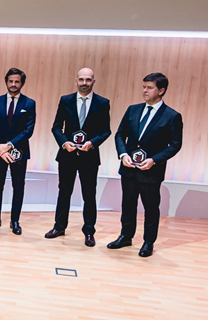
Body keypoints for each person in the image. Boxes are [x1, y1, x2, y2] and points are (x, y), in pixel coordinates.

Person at [109, 73, 182, 258]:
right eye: (144, 87)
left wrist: (154, 160)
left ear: (161, 90)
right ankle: (125, 236)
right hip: (129, 168)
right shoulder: (132, 110)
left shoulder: (172, 116)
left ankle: (148, 242)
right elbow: (119, 134)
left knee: (150, 208)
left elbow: (175, 145)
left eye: (149, 87)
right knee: (128, 204)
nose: (144, 90)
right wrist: (123, 154)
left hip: (151, 171)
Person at [46, 68, 111, 247]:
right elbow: (56, 127)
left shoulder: (103, 103)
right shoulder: (65, 100)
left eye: (88, 80)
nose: (84, 83)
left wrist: (92, 143)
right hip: (67, 155)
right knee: (63, 193)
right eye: (81, 79)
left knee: (89, 195)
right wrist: (64, 142)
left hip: (89, 157)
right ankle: (59, 227)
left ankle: (89, 231)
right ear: (76, 80)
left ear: (93, 81)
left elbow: (106, 130)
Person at [0, 68, 36, 235]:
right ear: (6, 82)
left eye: (17, 82)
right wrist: (0, 148)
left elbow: (28, 130)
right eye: (11, 81)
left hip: (19, 152)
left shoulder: (29, 103)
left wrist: (9, 145)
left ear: (22, 83)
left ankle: (15, 221)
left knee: (18, 187)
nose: (13, 85)